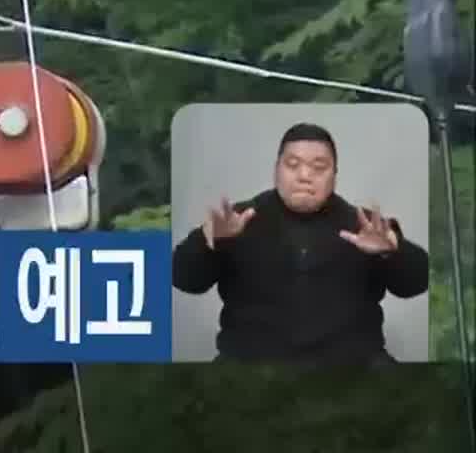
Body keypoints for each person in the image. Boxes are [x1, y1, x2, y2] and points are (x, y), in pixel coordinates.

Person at [171, 121, 430, 364]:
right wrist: (208, 242)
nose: (304, 175)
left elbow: (416, 283)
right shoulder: (236, 221)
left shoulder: (368, 226)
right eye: (292, 164)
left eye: (319, 167)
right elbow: (184, 279)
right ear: (276, 169)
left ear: (334, 175)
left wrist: (393, 251)